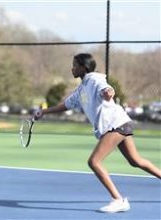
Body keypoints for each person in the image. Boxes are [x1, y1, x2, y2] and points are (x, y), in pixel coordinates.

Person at [34, 53, 161, 213]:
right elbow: (65, 105)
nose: (71, 68)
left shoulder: (94, 79)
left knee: (94, 162)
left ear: (83, 67)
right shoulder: (82, 89)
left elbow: (106, 87)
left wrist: (109, 93)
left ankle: (118, 200)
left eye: (74, 65)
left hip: (116, 125)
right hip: (121, 122)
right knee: (135, 161)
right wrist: (44, 112)